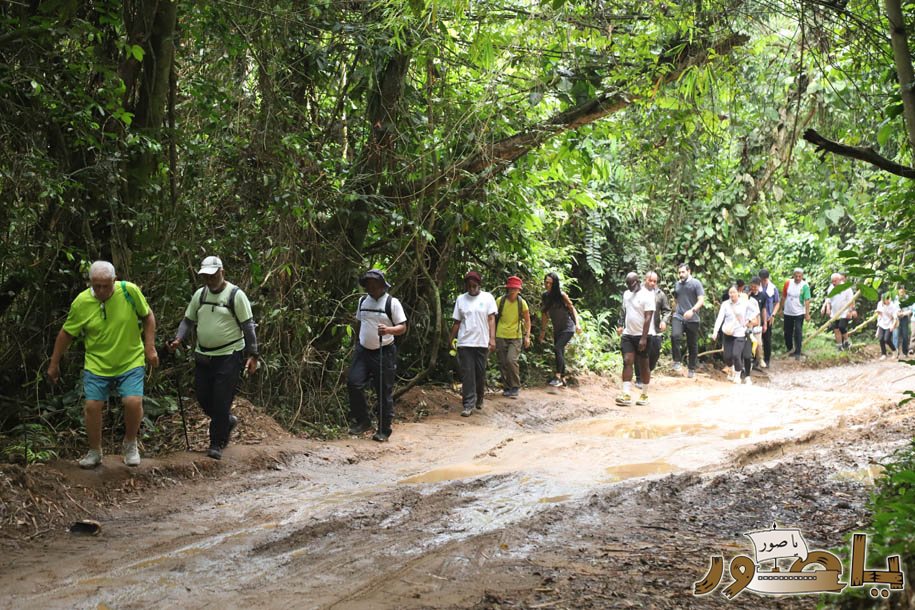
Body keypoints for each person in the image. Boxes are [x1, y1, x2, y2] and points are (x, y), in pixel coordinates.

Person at [48, 261, 158, 468]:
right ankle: (95, 450)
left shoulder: (129, 291)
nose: (100, 290)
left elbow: (148, 316)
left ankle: (130, 443)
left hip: (130, 359)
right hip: (97, 363)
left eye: (105, 285)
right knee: (92, 406)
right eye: (95, 285)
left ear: (114, 281)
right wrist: (54, 363)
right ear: (90, 282)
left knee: (133, 402)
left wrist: (149, 347)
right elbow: (66, 333)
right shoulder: (81, 302)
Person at [169, 256, 259, 458]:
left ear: (222, 273)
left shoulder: (236, 295)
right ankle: (226, 421)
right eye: (206, 276)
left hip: (229, 355)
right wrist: (178, 339)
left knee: (221, 399)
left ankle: (216, 443)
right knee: (203, 397)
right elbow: (187, 320)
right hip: (203, 355)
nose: (209, 280)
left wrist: (253, 355)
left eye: (213, 275)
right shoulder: (200, 295)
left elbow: (248, 326)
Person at [341, 268, 407, 442]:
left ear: (381, 285)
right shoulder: (363, 301)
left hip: (384, 352)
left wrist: (388, 330)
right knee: (353, 383)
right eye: (368, 284)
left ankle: (384, 430)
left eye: (374, 284)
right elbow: (359, 323)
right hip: (363, 351)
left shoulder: (391, 303)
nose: (370, 287)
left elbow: (402, 327)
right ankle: (363, 421)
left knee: (383, 391)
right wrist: (355, 343)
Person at [450, 271, 497, 417]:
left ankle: (479, 397)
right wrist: (451, 337)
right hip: (465, 342)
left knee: (480, 372)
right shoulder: (460, 299)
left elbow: (491, 319)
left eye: (474, 286)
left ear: (479, 285)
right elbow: (457, 321)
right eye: (469, 286)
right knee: (467, 374)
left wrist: (492, 338)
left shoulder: (488, 298)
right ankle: (468, 404)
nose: (472, 288)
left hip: (481, 342)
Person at [616, 272, 655, 406]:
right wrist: (620, 324)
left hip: (643, 335)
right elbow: (624, 310)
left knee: (643, 365)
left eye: (631, 284)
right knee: (627, 361)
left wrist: (644, 338)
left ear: (637, 281)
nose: (630, 287)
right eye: (627, 284)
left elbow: (648, 317)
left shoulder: (647, 295)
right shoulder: (627, 294)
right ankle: (626, 394)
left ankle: (644, 394)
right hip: (628, 334)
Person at [538, 272, 581, 387]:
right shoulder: (545, 296)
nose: (547, 285)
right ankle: (563, 378)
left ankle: (557, 376)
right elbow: (544, 315)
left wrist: (577, 324)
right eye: (546, 282)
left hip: (568, 327)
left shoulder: (562, 295)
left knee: (558, 348)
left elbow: (572, 309)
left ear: (555, 284)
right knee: (560, 351)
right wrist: (542, 330)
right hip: (557, 329)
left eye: (550, 283)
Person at [711, 285, 758, 384]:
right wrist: (715, 331)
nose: (732, 294)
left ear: (738, 293)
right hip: (728, 333)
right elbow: (720, 318)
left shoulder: (744, 303)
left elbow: (756, 310)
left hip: (740, 332)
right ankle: (732, 370)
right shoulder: (725, 304)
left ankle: (737, 376)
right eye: (730, 292)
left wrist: (749, 319)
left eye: (734, 292)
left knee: (736, 355)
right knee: (727, 357)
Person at [495, 276, 531, 398]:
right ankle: (507, 387)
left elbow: (527, 320)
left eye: (515, 289)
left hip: (516, 336)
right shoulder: (500, 301)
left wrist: (527, 336)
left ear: (519, 290)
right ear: (507, 288)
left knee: (511, 360)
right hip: (500, 334)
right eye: (510, 288)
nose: (512, 291)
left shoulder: (522, 303)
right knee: (503, 362)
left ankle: (515, 386)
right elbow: (491, 318)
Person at [635, 271, 670, 388]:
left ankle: (647, 371)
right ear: (645, 280)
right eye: (650, 280)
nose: (652, 283)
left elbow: (667, 310)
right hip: (641, 328)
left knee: (655, 353)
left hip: (655, 330)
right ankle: (639, 378)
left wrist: (664, 321)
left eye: (655, 281)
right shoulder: (638, 292)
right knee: (640, 353)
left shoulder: (660, 294)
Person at [671, 263, 705, 378]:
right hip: (679, 315)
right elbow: (676, 300)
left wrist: (692, 310)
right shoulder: (677, 284)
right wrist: (674, 311)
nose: (681, 274)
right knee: (675, 336)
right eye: (679, 272)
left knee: (692, 344)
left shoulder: (696, 283)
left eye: (683, 272)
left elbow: (701, 300)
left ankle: (691, 368)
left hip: (693, 318)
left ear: (688, 271)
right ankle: (676, 361)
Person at [781, 268, 811, 360]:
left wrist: (807, 313)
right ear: (793, 275)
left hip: (799, 312)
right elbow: (783, 296)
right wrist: (780, 309)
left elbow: (807, 300)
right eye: (796, 276)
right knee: (787, 331)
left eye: (799, 276)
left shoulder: (805, 285)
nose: (797, 278)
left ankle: (798, 351)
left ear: (802, 276)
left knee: (798, 331)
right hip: (788, 311)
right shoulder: (788, 283)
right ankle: (789, 348)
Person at [821, 272, 856, 351]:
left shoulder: (847, 288)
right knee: (836, 329)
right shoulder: (830, 288)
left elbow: (851, 300)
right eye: (832, 281)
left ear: (840, 280)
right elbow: (829, 299)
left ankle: (847, 341)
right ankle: (839, 346)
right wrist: (828, 308)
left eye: (835, 281)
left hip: (844, 312)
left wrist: (850, 311)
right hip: (834, 312)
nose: (833, 283)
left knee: (842, 326)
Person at [758, 269, 781, 368]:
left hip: (768, 317)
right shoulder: (757, 287)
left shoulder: (773, 288)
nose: (763, 281)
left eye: (765, 279)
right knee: (757, 339)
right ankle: (757, 359)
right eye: (762, 280)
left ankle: (767, 360)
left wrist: (773, 314)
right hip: (757, 317)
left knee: (767, 339)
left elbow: (777, 302)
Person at [747, 277, 767, 372]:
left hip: (757, 323)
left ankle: (760, 359)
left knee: (759, 343)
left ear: (759, 286)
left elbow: (763, 310)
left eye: (755, 287)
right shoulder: (747, 295)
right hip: (747, 322)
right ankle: (749, 363)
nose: (753, 288)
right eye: (752, 287)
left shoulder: (763, 296)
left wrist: (764, 323)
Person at [876, 292, 899, 360]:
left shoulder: (893, 306)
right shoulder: (880, 304)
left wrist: (893, 326)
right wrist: (878, 326)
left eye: (885, 300)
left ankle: (895, 351)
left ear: (888, 299)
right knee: (880, 339)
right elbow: (879, 314)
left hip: (890, 324)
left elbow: (895, 318)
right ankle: (883, 354)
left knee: (887, 339)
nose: (883, 301)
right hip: (881, 323)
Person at [897, 287, 911, 357]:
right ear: (898, 291)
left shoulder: (907, 299)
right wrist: (897, 313)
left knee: (905, 335)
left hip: (905, 318)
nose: (902, 293)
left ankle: (905, 352)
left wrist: (903, 313)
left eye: (903, 292)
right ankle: (897, 352)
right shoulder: (895, 298)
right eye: (900, 292)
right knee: (897, 336)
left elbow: (910, 310)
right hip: (896, 319)